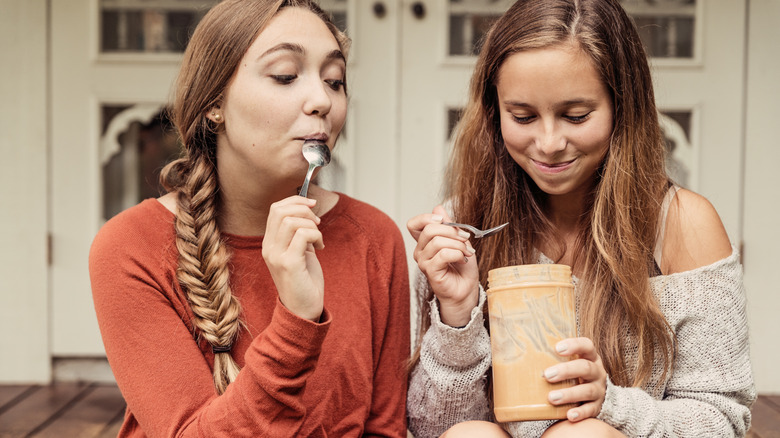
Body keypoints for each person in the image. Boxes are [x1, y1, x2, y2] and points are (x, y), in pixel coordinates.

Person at [405, 0, 755, 437]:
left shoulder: (682, 224)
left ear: (622, 107)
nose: (548, 143)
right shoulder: (464, 229)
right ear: (495, 115)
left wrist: (612, 406)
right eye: (523, 116)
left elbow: (724, 419)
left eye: (576, 116)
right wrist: (458, 316)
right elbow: (432, 428)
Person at [89, 1, 410, 436]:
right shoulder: (131, 245)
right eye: (285, 75)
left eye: (334, 81)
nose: (322, 100)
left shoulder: (373, 237)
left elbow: (382, 429)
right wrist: (296, 321)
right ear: (214, 103)